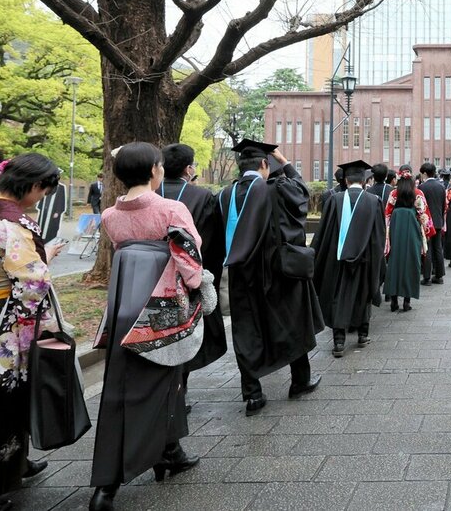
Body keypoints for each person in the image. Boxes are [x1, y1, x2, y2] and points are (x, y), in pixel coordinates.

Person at [90, 143, 206, 510]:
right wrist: (200, 285)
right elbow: (188, 260)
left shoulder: (110, 215)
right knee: (163, 378)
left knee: (122, 385)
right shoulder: (172, 209)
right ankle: (111, 483)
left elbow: (120, 250)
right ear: (156, 170)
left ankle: (170, 451)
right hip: (161, 304)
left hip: (125, 302)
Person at [217, 140, 324, 416]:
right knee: (292, 322)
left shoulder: (225, 195)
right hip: (277, 273)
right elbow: (302, 192)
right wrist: (284, 161)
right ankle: (300, 381)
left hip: (241, 276)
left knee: (246, 330)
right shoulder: (276, 188)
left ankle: (253, 394)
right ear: (265, 164)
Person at [0, 154, 66, 508]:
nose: (42, 197)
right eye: (43, 191)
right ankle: (3, 477)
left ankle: (18, 463)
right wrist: (45, 262)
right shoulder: (12, 226)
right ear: (34, 185)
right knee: (8, 399)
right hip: (7, 326)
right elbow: (32, 282)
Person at [160, 144, 227, 397]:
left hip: (152, 277)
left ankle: (165, 389)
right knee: (184, 328)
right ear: (189, 168)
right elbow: (212, 243)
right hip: (187, 276)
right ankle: (180, 388)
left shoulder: (152, 192)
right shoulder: (202, 197)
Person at [312, 160, 386, 357]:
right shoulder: (374, 201)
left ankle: (338, 342)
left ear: (345, 180)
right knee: (363, 295)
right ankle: (362, 335)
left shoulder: (334, 201)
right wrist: (378, 262)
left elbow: (324, 235)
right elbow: (378, 237)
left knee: (339, 297)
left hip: (338, 260)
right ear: (364, 180)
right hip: (365, 261)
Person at [383, 166, 433, 312]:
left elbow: (387, 213)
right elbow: (424, 215)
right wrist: (426, 233)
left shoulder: (394, 193)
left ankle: (393, 301)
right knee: (411, 261)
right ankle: (406, 301)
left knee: (394, 261)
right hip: (412, 225)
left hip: (396, 226)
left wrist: (387, 235)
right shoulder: (417, 193)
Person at [418, 162, 446, 285]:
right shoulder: (441, 186)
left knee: (427, 249)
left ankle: (427, 277)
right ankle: (439, 275)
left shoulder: (422, 188)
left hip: (426, 222)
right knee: (438, 248)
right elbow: (444, 205)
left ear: (424, 173)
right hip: (438, 221)